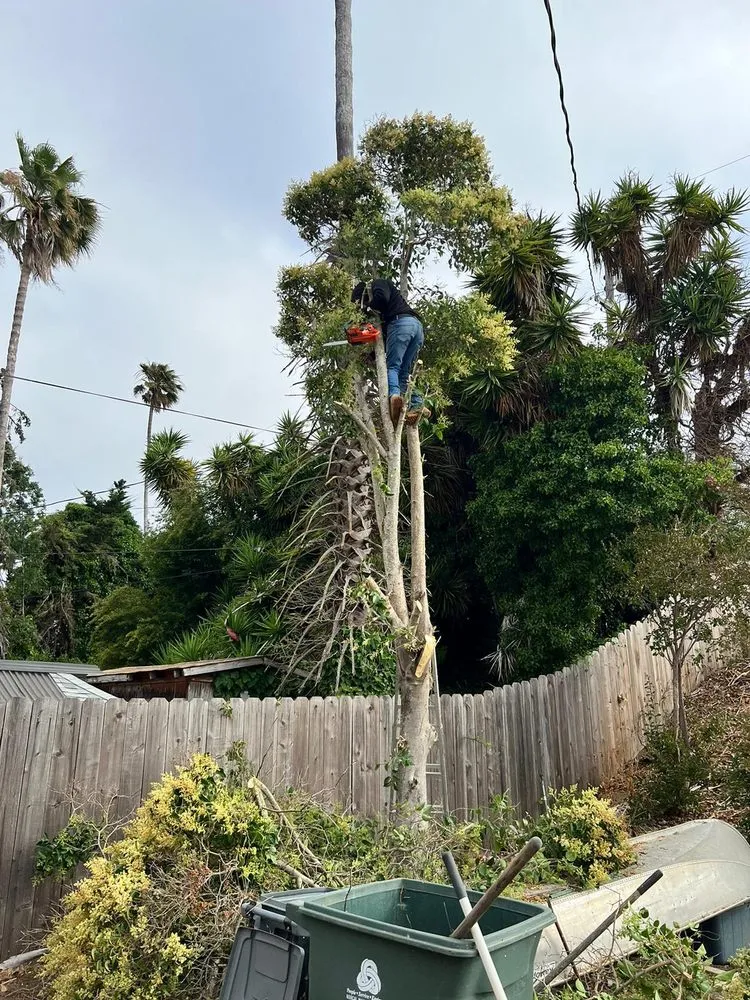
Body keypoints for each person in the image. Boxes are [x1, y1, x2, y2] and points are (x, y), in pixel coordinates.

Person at [351, 278, 430, 425]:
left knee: (392, 367)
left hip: (401, 324)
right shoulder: (390, 309)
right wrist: (372, 355)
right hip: (416, 327)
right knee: (404, 372)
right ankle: (417, 404)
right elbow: (391, 340)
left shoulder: (378, 284)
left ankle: (394, 397)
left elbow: (381, 298)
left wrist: (367, 307)